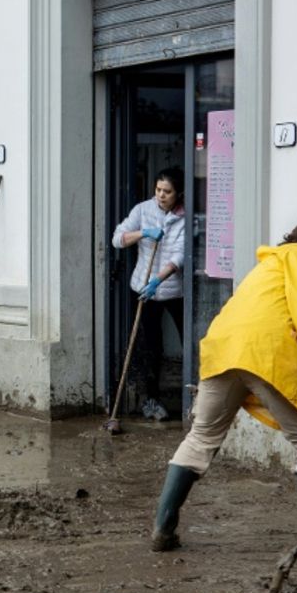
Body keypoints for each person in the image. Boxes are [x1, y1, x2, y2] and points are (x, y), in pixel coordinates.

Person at [150, 219, 297, 558]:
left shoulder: (269, 267)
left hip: (223, 350)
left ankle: (162, 531)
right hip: (266, 353)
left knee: (201, 437)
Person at [111, 168, 187, 420]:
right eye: (158, 190)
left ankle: (195, 398)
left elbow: (178, 256)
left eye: (167, 192)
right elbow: (117, 239)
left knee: (190, 344)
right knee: (151, 347)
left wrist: (159, 279)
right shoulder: (142, 210)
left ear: (179, 194)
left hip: (173, 290)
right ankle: (151, 401)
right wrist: (143, 233)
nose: (161, 196)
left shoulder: (184, 217)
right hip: (144, 289)